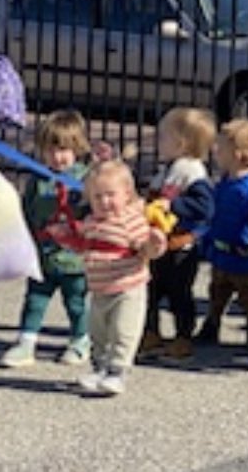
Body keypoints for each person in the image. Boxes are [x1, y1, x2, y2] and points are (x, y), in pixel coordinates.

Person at [41, 161, 167, 396]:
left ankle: (118, 372)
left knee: (123, 331)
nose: (105, 202)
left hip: (127, 287)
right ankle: (99, 367)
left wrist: (155, 243)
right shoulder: (92, 222)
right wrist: (65, 237)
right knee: (98, 331)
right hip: (100, 289)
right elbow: (84, 246)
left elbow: (145, 250)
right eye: (97, 197)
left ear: (127, 194)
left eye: (111, 195)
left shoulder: (130, 221)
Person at [0, 110, 95, 369]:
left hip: (75, 258)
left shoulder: (87, 179)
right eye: (50, 149)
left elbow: (94, 211)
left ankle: (80, 340)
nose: (57, 156)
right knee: (35, 300)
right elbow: (27, 210)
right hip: (43, 254)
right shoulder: (38, 180)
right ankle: (26, 342)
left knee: (76, 303)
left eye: (64, 149)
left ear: (77, 148)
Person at [139, 107, 216, 360]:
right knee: (149, 289)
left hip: (180, 246)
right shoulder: (169, 168)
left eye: (163, 137)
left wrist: (173, 205)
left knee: (178, 294)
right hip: (158, 243)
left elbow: (204, 207)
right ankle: (150, 332)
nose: (158, 142)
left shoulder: (191, 172)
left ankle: (183, 336)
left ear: (181, 143)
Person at [194, 119, 248, 348]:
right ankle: (211, 325)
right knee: (217, 292)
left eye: (221, 148)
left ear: (238, 154)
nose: (216, 152)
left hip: (244, 254)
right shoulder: (225, 181)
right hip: (221, 250)